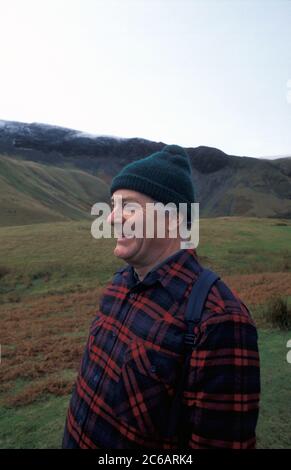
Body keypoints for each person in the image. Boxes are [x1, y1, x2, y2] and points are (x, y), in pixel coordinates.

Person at [62, 144, 260, 449]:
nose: (112, 218)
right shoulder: (118, 285)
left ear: (172, 218)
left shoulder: (220, 320)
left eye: (127, 206)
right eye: (112, 205)